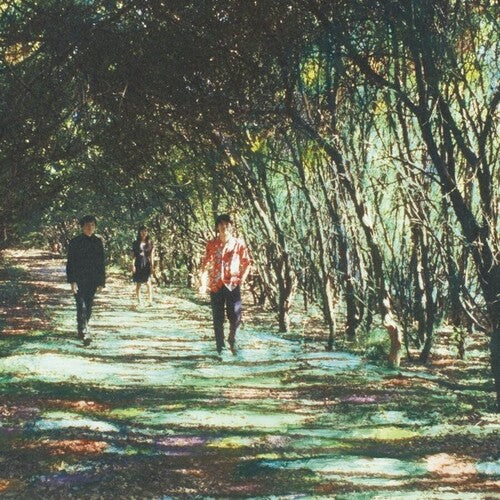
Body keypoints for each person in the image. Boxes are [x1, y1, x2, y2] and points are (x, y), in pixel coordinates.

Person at [200, 214, 251, 354]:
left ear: (231, 227)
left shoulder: (238, 244)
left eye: (227, 224)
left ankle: (232, 338)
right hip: (216, 284)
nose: (224, 227)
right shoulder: (211, 244)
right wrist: (203, 284)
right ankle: (220, 349)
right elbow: (205, 265)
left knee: (235, 316)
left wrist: (242, 279)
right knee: (217, 318)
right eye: (221, 224)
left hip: (232, 284)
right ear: (217, 227)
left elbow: (247, 263)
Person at [66, 215, 105, 345]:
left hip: (92, 279)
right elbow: (70, 263)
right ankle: (84, 330)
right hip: (79, 279)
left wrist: (101, 282)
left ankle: (82, 327)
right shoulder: (75, 242)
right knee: (80, 305)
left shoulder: (98, 242)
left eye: (92, 225)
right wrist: (72, 281)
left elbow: (101, 263)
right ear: (82, 227)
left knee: (88, 305)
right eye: (87, 225)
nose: (90, 227)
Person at [132, 225, 155, 306]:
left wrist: (152, 266)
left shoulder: (150, 243)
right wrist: (133, 265)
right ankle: (139, 300)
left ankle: (150, 301)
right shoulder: (135, 243)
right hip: (138, 263)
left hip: (146, 263)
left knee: (148, 283)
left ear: (147, 232)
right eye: (142, 231)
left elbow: (151, 256)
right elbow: (133, 255)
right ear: (139, 232)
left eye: (145, 231)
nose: (143, 233)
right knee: (138, 283)